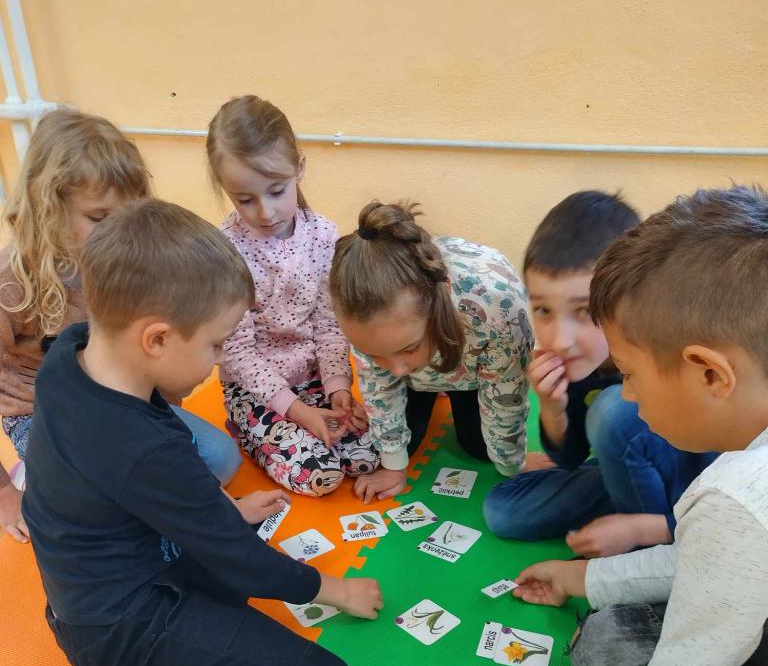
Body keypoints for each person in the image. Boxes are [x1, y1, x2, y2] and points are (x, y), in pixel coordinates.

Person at [4, 199, 382, 666]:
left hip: (106, 591)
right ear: (155, 338)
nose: (216, 365)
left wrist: (219, 513)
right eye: (214, 346)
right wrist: (334, 589)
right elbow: (238, 561)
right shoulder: (144, 445)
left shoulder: (68, 356)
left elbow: (120, 492)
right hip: (120, 634)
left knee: (235, 540)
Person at [514, 185, 768, 666]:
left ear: (710, 372)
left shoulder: (736, 495)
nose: (626, 394)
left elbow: (692, 657)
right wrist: (584, 579)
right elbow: (715, 565)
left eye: (628, 375)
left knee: (603, 651)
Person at [0, 109, 242, 545]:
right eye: (99, 218)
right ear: (49, 209)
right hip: (42, 414)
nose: (120, 234)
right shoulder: (11, 284)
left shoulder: (129, 265)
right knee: (111, 505)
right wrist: (3, 496)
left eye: (129, 215)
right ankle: (34, 475)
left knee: (220, 460)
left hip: (119, 399)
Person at [484, 190, 717, 556]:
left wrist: (646, 529)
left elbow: (725, 482)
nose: (560, 340)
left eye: (586, 311)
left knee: (613, 412)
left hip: (700, 496)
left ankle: (648, 548)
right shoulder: (582, 360)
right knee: (503, 510)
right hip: (636, 477)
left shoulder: (677, 356)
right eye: (543, 310)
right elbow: (571, 459)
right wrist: (553, 408)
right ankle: (629, 511)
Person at [206, 95, 379, 496]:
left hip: (315, 379)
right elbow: (238, 352)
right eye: (245, 199)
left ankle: (307, 420)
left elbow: (329, 325)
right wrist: (298, 413)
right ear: (225, 188)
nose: (265, 212)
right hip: (257, 391)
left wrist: (338, 389)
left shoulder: (322, 235)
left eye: (276, 191)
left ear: (299, 169)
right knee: (321, 476)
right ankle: (247, 429)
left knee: (368, 456)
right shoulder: (224, 250)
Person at [329, 201, 533, 503]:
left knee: (482, 449)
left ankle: (449, 386)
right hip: (430, 365)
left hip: (475, 363)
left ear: (440, 300)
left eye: (408, 348)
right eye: (374, 354)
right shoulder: (365, 318)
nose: (396, 369)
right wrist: (394, 466)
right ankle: (427, 380)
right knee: (394, 450)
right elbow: (380, 388)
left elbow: (507, 398)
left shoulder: (500, 312)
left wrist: (513, 465)